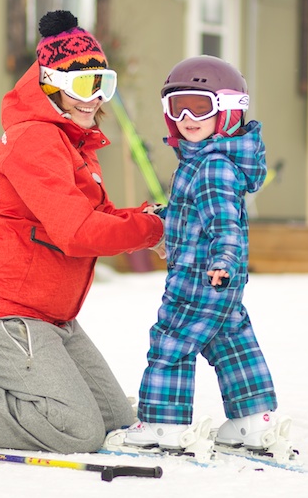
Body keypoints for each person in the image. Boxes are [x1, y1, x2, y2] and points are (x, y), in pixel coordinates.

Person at [0, 10, 164, 454]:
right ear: (50, 84)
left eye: (103, 84)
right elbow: (77, 231)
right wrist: (150, 229)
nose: (94, 98)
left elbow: (98, 215)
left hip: (51, 319)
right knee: (78, 432)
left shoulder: (73, 140)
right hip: (1, 317)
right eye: (83, 85)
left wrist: (152, 217)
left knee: (117, 423)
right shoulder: (34, 140)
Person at [115, 56, 288, 454]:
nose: (189, 117)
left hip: (200, 276)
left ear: (227, 112)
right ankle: (252, 420)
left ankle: (164, 424)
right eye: (179, 107)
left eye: (201, 106)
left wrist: (223, 261)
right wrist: (165, 219)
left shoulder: (210, 167)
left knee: (171, 342)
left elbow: (225, 225)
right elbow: (199, 214)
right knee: (230, 341)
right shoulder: (210, 163)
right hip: (221, 281)